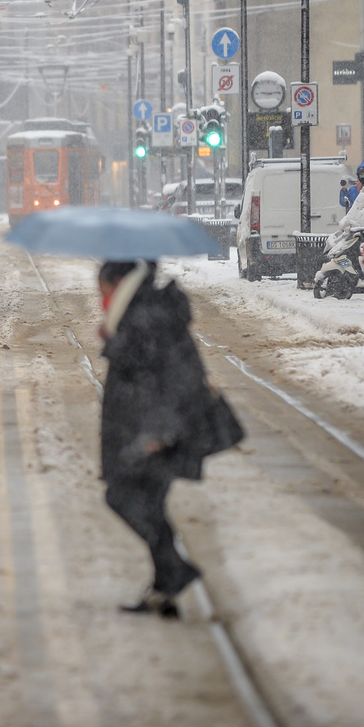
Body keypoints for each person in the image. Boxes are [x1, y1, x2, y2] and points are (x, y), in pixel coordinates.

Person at [98, 260, 243, 618]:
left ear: (119, 283)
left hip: (158, 434)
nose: (101, 299)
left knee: (125, 497)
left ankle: (173, 573)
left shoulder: (147, 315)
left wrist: (160, 432)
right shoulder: (141, 311)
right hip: (152, 429)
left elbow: (174, 376)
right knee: (146, 504)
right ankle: (166, 585)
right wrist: (114, 338)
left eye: (103, 291)